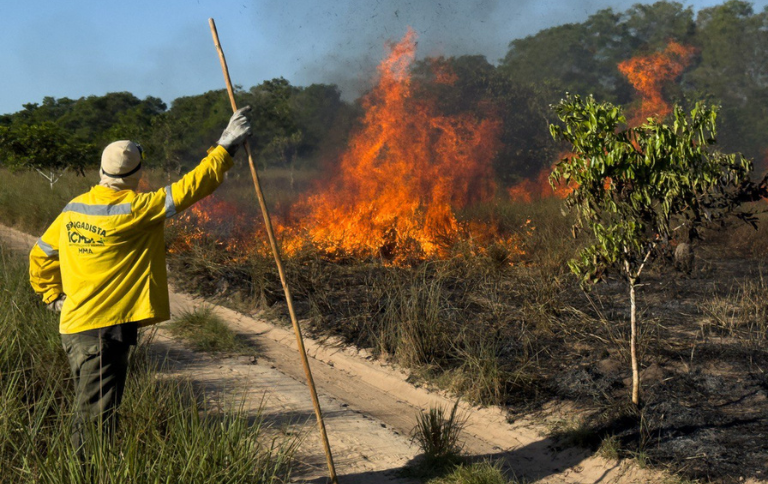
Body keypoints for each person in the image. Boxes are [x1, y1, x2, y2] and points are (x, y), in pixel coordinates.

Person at [28, 106, 252, 450]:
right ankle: (86, 474)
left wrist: (51, 296)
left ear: (101, 169)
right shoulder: (136, 210)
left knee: (95, 412)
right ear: (137, 172)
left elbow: (40, 254)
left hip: (74, 327)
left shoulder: (73, 208)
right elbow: (192, 186)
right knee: (94, 423)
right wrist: (226, 145)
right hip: (103, 333)